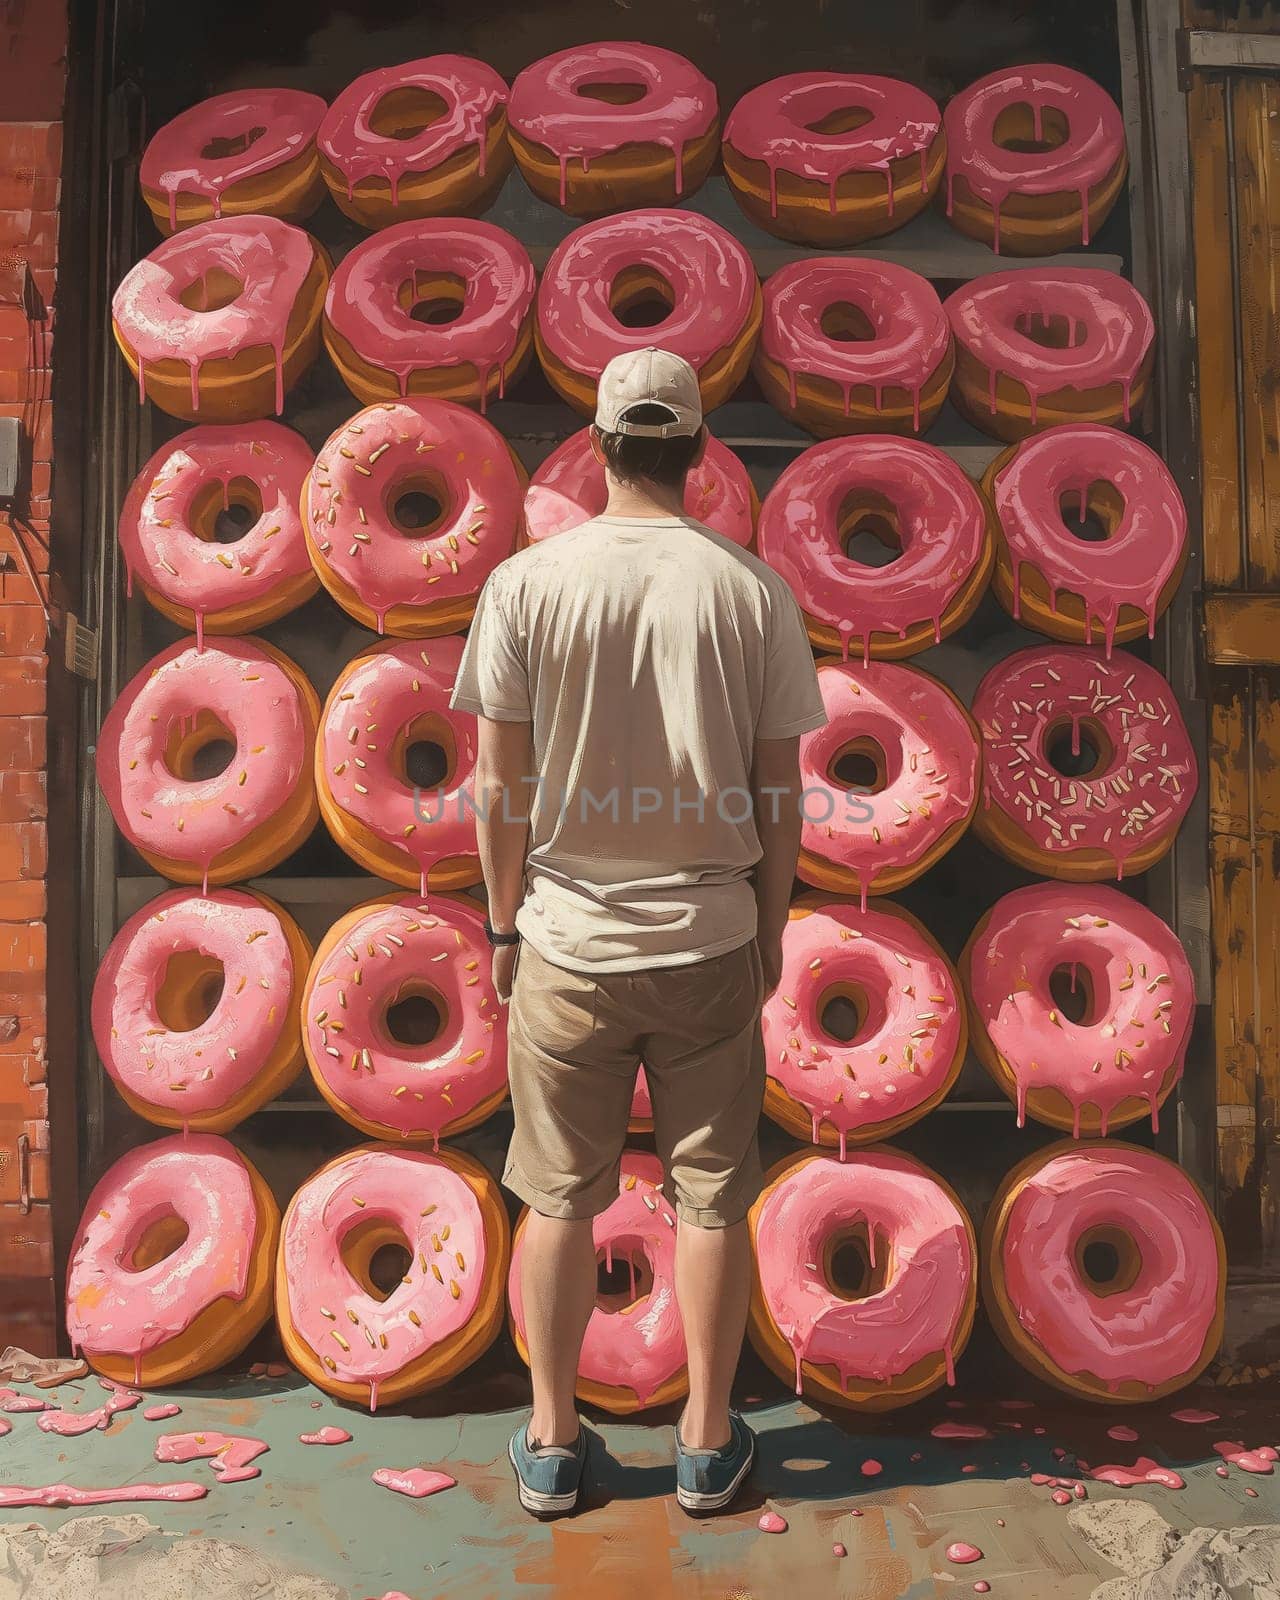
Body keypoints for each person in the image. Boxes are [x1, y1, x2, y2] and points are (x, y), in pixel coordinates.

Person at [450, 347, 826, 1518]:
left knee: (557, 1196)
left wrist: (504, 924)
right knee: (711, 1197)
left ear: (602, 447)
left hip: (565, 937)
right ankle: (707, 1445)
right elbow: (780, 791)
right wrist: (765, 928)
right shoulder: (748, 589)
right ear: (702, 454)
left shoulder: (525, 583)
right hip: (710, 935)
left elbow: (495, 787)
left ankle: (555, 1444)